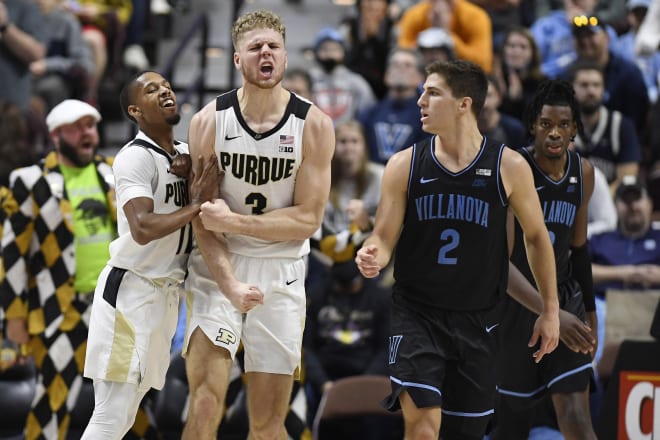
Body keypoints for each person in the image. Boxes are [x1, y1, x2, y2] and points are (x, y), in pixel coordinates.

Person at [355, 59, 560, 440]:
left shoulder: (509, 166)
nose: (421, 101)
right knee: (422, 428)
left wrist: (550, 310)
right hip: (417, 315)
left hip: (479, 320)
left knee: (464, 433)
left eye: (432, 93)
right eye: (422, 92)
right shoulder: (404, 165)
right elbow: (383, 237)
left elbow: (536, 238)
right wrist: (373, 255)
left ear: (464, 104)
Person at [182, 9, 335, 440]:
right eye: (255, 48)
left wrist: (235, 220)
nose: (265, 54)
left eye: (273, 47)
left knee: (267, 426)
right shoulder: (209, 122)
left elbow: (307, 218)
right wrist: (229, 283)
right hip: (218, 269)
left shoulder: (315, 126)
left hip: (281, 273)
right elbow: (203, 220)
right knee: (206, 402)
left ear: (285, 57)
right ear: (237, 60)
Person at [80, 70, 216, 439]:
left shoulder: (186, 153)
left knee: (127, 414)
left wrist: (190, 179)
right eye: (152, 90)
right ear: (134, 110)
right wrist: (195, 204)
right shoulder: (132, 158)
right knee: (111, 413)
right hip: (130, 292)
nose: (166, 91)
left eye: (167, 85)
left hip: (166, 294)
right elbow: (141, 228)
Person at [0, 99, 116, 439]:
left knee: (125, 400)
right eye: (77, 127)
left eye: (91, 126)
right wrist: (15, 318)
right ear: (55, 135)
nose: (87, 133)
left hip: (110, 308)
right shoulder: (30, 180)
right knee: (52, 401)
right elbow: (12, 254)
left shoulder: (114, 173)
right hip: (59, 310)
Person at [493, 79, 598, 440]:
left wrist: (590, 313)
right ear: (533, 126)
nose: (554, 133)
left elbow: (580, 248)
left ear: (575, 129)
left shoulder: (583, 172)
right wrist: (550, 313)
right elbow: (499, 264)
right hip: (516, 304)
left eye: (563, 125)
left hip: (565, 297)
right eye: (546, 124)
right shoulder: (511, 167)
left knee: (575, 413)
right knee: (512, 425)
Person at [569, 59, 642, 190]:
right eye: (584, 85)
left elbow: (627, 178)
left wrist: (600, 202)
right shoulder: (558, 127)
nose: (591, 91)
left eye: (596, 85)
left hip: (610, 203)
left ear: (604, 89)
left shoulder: (621, 125)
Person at [357, 47, 427, 165]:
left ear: (420, 78)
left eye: (407, 65)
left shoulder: (426, 117)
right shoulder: (369, 114)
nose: (400, 69)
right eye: (395, 64)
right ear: (386, 75)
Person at [396, 0, 494, 73]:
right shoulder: (414, 15)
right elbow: (403, 56)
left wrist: (447, 33)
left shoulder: (475, 17)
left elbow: (483, 65)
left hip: (462, 76)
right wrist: (432, 32)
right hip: (421, 76)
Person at [309, 26, 376, 124]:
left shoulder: (356, 81)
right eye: (324, 49)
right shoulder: (308, 79)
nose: (330, 53)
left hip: (345, 136)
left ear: (344, 52)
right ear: (316, 52)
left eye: (335, 49)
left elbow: (368, 110)